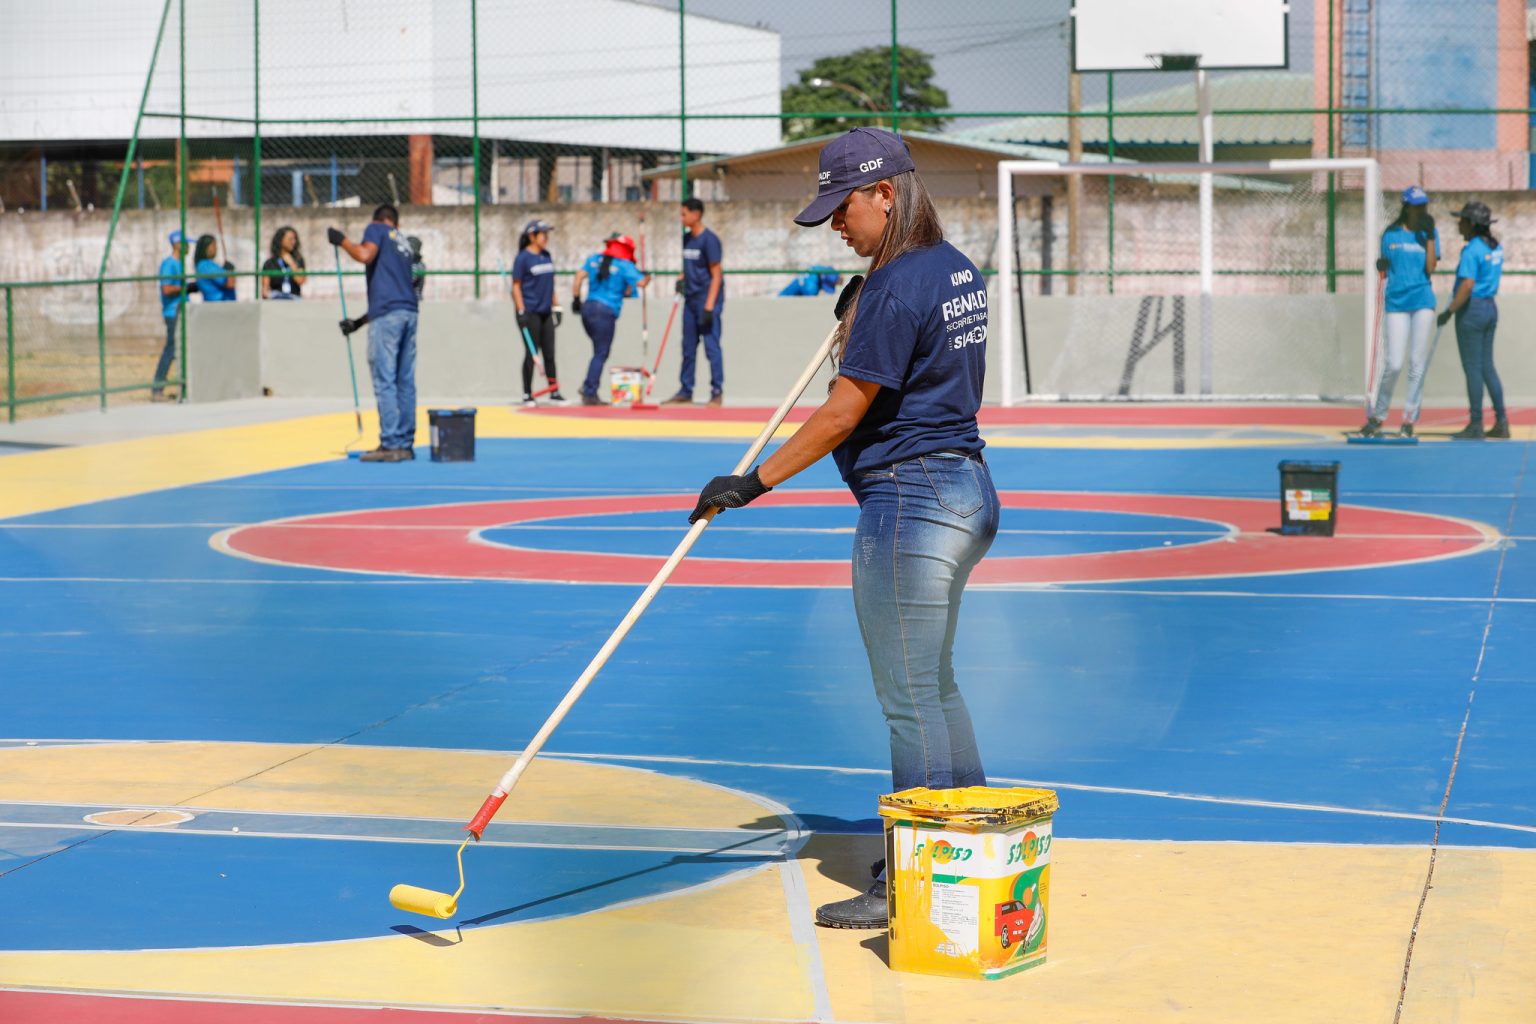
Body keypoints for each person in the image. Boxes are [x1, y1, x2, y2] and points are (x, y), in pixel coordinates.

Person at [689, 128, 998, 929]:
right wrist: (861, 310)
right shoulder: (952, 268)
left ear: (886, 194)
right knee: (934, 686)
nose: (836, 224)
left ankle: (917, 878)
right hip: (965, 489)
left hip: (912, 499)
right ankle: (964, 844)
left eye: (844, 207)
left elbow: (843, 411)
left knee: (908, 700)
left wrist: (751, 482)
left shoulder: (893, 288)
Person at [328, 205, 420, 462]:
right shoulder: (402, 244)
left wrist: (341, 240)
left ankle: (390, 443)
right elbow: (394, 292)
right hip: (409, 313)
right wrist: (358, 323)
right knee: (405, 380)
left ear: (379, 220)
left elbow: (365, 254)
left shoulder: (377, 229)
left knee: (385, 378)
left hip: (389, 317)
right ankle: (404, 442)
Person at [1361, 186, 1438, 438]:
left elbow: (1431, 268)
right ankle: (1379, 415)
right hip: (1396, 302)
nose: (1421, 209)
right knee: (1394, 363)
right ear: (1406, 206)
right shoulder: (1390, 234)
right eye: (1417, 205)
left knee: (1417, 364)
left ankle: (1408, 419)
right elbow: (1384, 265)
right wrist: (1380, 265)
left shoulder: (1429, 233)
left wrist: (1428, 237)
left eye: (1423, 204)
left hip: (1422, 301)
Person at [1437, 201, 1507, 439]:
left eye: (1463, 220)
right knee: (1487, 366)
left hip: (1472, 310)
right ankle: (1502, 421)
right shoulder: (1495, 247)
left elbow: (1467, 284)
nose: (1459, 224)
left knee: (1473, 369)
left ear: (1473, 225)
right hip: (1490, 307)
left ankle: (1476, 424)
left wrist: (1449, 311)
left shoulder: (1472, 250)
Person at [571, 233, 648, 406]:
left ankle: (589, 385)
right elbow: (641, 283)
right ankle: (589, 390)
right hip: (604, 312)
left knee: (598, 350)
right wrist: (646, 276)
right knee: (601, 352)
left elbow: (578, 276)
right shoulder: (625, 265)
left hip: (588, 308)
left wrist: (576, 300)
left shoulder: (593, 259)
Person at [663, 198, 725, 407]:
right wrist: (681, 279)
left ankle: (716, 391)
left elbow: (716, 274)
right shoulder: (686, 239)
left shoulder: (710, 240)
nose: (681, 218)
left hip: (706, 301)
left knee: (711, 347)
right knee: (688, 347)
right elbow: (689, 267)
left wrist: (709, 306)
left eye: (684, 214)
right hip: (690, 301)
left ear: (696, 214)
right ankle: (685, 390)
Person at [512, 218, 568, 406]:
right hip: (530, 311)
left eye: (547, 234)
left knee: (550, 354)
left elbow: (550, 284)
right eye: (542, 234)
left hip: (546, 311)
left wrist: (556, 306)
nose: (546, 237)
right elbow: (516, 286)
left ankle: (554, 390)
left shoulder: (546, 255)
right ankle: (527, 393)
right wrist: (520, 310)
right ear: (532, 236)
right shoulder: (523, 258)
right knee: (531, 353)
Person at [151, 229, 189, 402]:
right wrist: (185, 288)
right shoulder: (169, 264)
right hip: (173, 312)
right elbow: (166, 289)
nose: (188, 247)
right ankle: (157, 389)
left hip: (182, 310)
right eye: (185, 243)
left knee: (182, 350)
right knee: (171, 349)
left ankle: (185, 386)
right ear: (177, 244)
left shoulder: (180, 264)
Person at [261, 225, 307, 300]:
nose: (293, 242)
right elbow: (265, 291)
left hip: (294, 299)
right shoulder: (269, 263)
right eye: (290, 239)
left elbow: (301, 281)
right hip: (276, 299)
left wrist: (292, 264)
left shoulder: (298, 260)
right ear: (280, 240)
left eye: (294, 239)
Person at [192, 234, 235, 302]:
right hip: (218, 305)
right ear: (206, 247)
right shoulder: (205, 265)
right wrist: (229, 271)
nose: (216, 248)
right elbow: (230, 283)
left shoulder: (208, 264)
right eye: (213, 245)